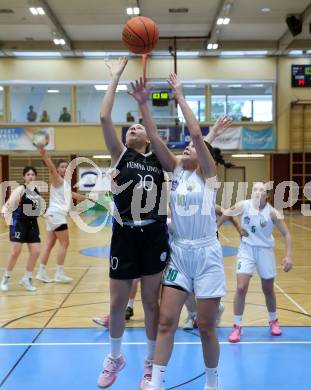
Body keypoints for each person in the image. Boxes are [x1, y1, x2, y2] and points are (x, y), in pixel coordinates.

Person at [128, 73, 225, 390]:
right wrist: (144, 105)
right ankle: (156, 381)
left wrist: (180, 94)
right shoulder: (177, 171)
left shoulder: (209, 175)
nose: (187, 147)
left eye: (192, 148)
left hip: (208, 253)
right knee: (167, 321)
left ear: (204, 153)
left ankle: (212, 382)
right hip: (180, 254)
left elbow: (196, 133)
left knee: (207, 327)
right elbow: (154, 139)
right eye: (184, 146)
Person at [97, 58, 169, 389]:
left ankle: (151, 364)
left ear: (148, 137)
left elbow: (154, 134)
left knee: (151, 304)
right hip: (124, 233)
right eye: (130, 128)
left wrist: (145, 111)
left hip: (154, 233)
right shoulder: (119, 155)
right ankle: (115, 357)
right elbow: (103, 116)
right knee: (116, 303)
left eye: (138, 127)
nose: (133, 129)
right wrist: (115, 78)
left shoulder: (159, 160)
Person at [220, 182, 293, 343]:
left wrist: (288, 256)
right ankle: (237, 326)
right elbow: (226, 213)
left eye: (262, 190)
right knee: (241, 287)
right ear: (251, 192)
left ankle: (273, 320)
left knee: (268, 289)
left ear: (267, 195)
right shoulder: (243, 205)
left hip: (265, 251)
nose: (258, 192)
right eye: (255, 189)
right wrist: (215, 226)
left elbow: (286, 234)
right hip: (246, 249)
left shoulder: (273, 213)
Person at [182, 204, 248, 330]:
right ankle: (193, 315)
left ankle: (213, 310)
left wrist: (239, 228)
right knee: (185, 286)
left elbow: (230, 213)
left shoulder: (211, 205)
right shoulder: (184, 205)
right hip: (189, 249)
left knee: (201, 286)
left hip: (208, 251)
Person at [35, 145, 94, 283]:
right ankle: (59, 273)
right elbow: (51, 168)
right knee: (65, 243)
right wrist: (44, 156)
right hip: (57, 215)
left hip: (52, 215)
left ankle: (41, 272)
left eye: (66, 167)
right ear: (58, 168)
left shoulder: (64, 183)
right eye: (61, 166)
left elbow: (72, 194)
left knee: (49, 244)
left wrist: (86, 197)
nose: (64, 169)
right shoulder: (57, 178)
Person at [0, 166, 44, 291]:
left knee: (35, 252)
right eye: (28, 174)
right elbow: (9, 204)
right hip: (19, 223)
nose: (31, 176)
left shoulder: (36, 190)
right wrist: (4, 211)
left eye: (33, 174)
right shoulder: (20, 189)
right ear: (24, 177)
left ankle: (27, 279)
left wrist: (45, 215)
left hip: (32, 224)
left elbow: (37, 210)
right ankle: (6, 278)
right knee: (15, 252)